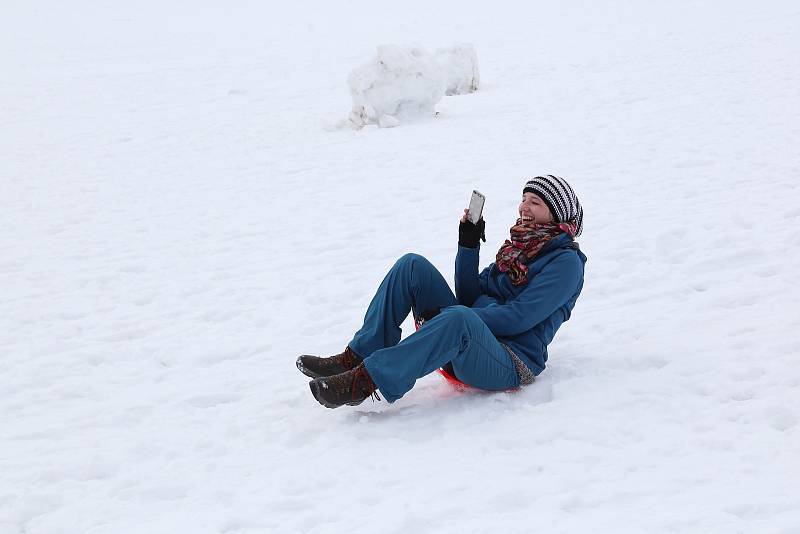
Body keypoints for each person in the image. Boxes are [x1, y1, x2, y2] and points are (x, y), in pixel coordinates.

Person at [296, 175, 587, 409]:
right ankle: (356, 357)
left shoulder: (566, 263)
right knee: (412, 266)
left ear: (556, 214)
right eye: (523, 200)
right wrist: (468, 245)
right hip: (465, 342)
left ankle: (364, 382)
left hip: (509, 362)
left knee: (459, 317)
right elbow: (469, 297)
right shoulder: (516, 249)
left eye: (535, 202)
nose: (524, 207)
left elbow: (519, 318)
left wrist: (452, 315)